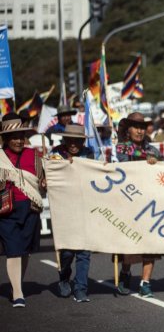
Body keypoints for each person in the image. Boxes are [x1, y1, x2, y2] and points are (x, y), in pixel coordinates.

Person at [115, 112, 162, 297]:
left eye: (142, 127)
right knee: (129, 242)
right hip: (129, 202)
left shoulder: (153, 151)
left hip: (150, 203)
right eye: (135, 127)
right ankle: (126, 272)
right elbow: (124, 167)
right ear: (128, 129)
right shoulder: (122, 148)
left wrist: (155, 164)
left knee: (150, 245)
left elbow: (161, 174)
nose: (139, 131)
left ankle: (145, 283)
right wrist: (145, 162)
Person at [0, 114, 45, 308]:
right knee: (13, 250)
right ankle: (18, 293)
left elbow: (41, 181)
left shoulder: (34, 155)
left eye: (21, 136)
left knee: (24, 251)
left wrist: (45, 182)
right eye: (14, 137)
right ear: (6, 138)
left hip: (30, 207)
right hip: (6, 209)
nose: (18, 140)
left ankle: (15, 285)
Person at [49, 124, 94, 302]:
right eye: (70, 140)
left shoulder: (89, 153)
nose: (73, 144)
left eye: (77, 141)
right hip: (64, 209)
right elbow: (50, 176)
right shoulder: (55, 154)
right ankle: (64, 275)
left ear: (83, 141)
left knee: (84, 251)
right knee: (67, 251)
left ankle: (81, 287)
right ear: (64, 140)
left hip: (84, 207)